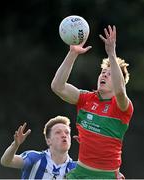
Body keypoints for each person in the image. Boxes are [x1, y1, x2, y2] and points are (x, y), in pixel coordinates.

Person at [51, 25, 134, 179]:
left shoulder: (122, 106)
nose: (104, 75)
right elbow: (57, 87)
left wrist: (111, 54)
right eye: (102, 72)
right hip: (80, 174)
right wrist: (72, 53)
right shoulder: (86, 99)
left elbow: (121, 90)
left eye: (109, 74)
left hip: (107, 176)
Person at [0, 116, 77, 179]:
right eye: (58, 132)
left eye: (67, 132)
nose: (64, 135)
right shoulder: (34, 158)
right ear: (48, 140)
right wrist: (15, 145)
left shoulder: (76, 169)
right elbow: (6, 162)